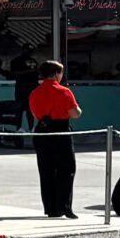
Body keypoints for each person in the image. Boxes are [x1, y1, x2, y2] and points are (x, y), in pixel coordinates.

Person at [27, 58, 83, 218]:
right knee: (66, 169)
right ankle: (64, 205)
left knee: (46, 170)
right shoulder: (64, 91)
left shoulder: (35, 92)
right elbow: (75, 113)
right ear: (57, 74)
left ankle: (50, 207)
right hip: (60, 129)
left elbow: (34, 113)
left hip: (42, 130)